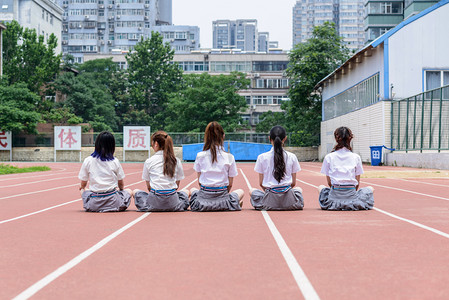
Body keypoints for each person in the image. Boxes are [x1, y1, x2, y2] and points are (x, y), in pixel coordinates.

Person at [190, 121, 244, 211]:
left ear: (206, 137)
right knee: (241, 192)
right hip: (223, 197)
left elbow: (200, 182)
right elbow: (230, 185)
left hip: (204, 198)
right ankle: (230, 204)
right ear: (223, 136)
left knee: (192, 190)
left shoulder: (200, 155)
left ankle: (210, 204)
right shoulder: (229, 157)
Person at [249, 126, 304, 210]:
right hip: (289, 201)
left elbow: (261, 184)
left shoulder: (262, 157)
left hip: (269, 202)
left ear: (269, 138)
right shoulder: (292, 156)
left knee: (252, 191)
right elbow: (293, 183)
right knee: (298, 189)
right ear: (285, 138)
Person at [318, 126, 374, 210]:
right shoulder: (356, 157)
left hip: (334, 197)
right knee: (370, 188)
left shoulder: (329, 157)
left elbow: (329, 183)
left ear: (336, 139)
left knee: (321, 187)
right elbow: (357, 183)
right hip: (351, 197)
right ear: (350, 139)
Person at [133, 131, 190, 212]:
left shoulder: (149, 161)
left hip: (155, 201)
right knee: (186, 192)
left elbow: (149, 187)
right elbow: (177, 185)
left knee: (136, 192)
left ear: (156, 143)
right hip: (172, 202)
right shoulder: (176, 161)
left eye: (152, 143)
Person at [78, 131, 132, 212]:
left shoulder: (88, 160)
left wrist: (83, 188)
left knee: (83, 190)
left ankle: (91, 203)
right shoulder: (115, 161)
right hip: (114, 202)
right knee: (129, 191)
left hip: (94, 204)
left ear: (97, 144)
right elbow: (120, 183)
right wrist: (121, 190)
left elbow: (83, 184)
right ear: (112, 146)